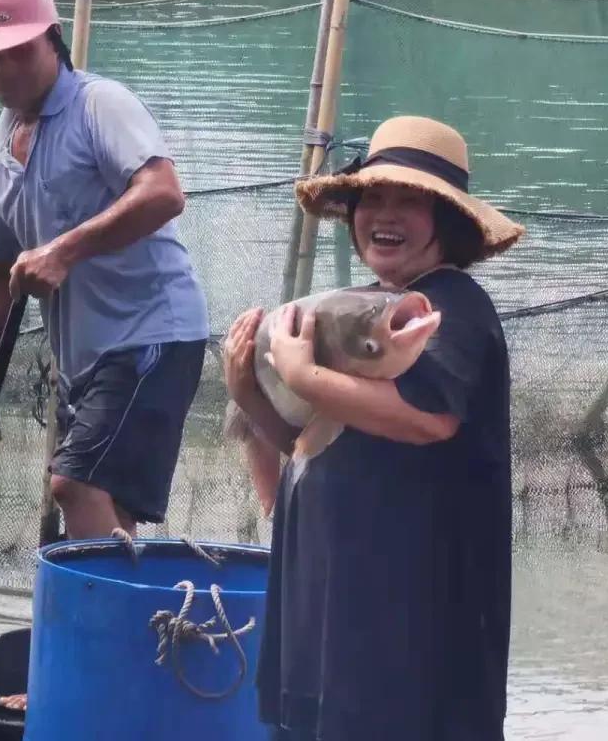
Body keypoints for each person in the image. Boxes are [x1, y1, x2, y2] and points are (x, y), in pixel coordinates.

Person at [223, 116, 524, 740]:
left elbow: (428, 420)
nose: (385, 214)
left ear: (450, 221)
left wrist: (303, 376)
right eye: (373, 197)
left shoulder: (449, 308)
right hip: (324, 617)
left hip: (409, 635)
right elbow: (309, 446)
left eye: (410, 201)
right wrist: (249, 393)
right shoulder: (356, 308)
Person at [0, 0, 208, 543]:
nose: (3, 70)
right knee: (108, 511)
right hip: (86, 357)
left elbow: (164, 193)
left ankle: (108, 629)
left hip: (152, 334)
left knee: (73, 485)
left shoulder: (100, 104)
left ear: (53, 37)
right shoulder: (0, 152)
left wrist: (65, 250)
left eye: (17, 51)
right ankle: (133, 628)